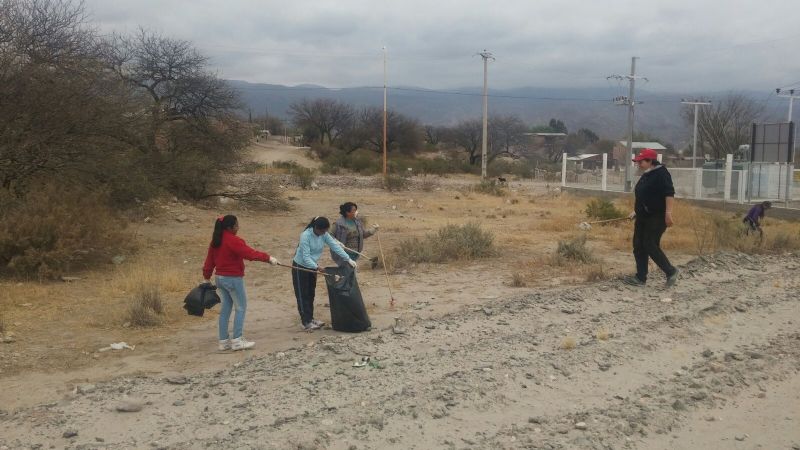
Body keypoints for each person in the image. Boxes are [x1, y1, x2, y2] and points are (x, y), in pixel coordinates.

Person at [203, 215, 278, 351]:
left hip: (219, 278)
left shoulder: (216, 240)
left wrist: (206, 278)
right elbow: (250, 254)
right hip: (232, 279)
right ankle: (237, 340)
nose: (238, 228)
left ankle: (223, 341)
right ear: (230, 228)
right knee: (241, 307)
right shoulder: (233, 241)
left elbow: (209, 261)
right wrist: (268, 258)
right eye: (236, 225)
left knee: (226, 309)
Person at [623, 149, 680, 288]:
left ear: (650, 161)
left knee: (650, 244)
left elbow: (669, 193)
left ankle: (671, 271)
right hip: (643, 216)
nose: (638, 164)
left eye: (641, 161)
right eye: (638, 162)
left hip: (657, 217)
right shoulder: (647, 174)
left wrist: (668, 213)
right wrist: (636, 211)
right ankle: (640, 277)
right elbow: (645, 195)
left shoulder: (661, 173)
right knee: (638, 246)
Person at [293, 217, 357, 330]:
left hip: (313, 266)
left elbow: (335, 246)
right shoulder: (305, 236)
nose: (324, 233)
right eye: (322, 231)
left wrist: (348, 259)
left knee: (310, 293)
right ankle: (305, 322)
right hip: (300, 267)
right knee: (302, 295)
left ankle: (311, 318)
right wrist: (317, 267)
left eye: (325, 231)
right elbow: (306, 257)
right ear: (316, 228)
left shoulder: (324, 234)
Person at [330, 202, 379, 267]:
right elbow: (329, 234)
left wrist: (373, 230)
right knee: (348, 274)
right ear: (348, 212)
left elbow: (363, 235)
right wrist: (336, 242)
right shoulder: (338, 224)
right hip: (343, 254)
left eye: (356, 210)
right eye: (354, 210)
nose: (356, 212)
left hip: (355, 254)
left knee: (350, 274)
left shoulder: (357, 222)